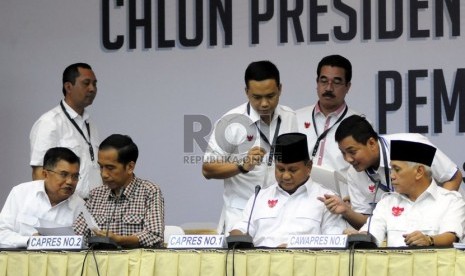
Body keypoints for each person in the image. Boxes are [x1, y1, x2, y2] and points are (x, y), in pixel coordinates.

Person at [202, 60, 298, 234]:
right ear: (246, 92)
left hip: (281, 215)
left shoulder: (291, 118)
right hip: (239, 214)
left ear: (280, 89)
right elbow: (208, 169)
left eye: (270, 96)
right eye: (257, 97)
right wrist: (242, 166)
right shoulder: (229, 122)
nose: (264, 104)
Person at [319, 115, 463, 229]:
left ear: (371, 143)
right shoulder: (353, 173)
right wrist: (346, 211)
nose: (348, 159)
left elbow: (453, 177)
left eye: (352, 152)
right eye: (343, 153)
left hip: (439, 224)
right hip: (398, 234)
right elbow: (368, 222)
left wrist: (435, 215)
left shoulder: (411, 145)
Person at [230, 133, 346, 247]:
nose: (286, 176)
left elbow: (332, 241)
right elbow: (242, 227)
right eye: (280, 169)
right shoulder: (260, 196)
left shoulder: (327, 199)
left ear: (309, 167)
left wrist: (293, 247)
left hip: (304, 262)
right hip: (261, 262)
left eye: (293, 170)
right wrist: (236, 235)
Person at [355, 140, 465, 247]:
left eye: (397, 170)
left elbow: (451, 237)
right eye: (391, 169)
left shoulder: (450, 201)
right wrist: (356, 238)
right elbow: (372, 235)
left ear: (419, 172)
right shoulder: (387, 202)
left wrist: (429, 240)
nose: (391, 176)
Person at [74, 134, 164, 248]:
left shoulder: (149, 192)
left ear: (130, 167)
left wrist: (120, 240)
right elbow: (79, 235)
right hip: (100, 263)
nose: (104, 174)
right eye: (101, 167)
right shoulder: (95, 195)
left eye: (110, 168)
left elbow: (154, 236)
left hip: (135, 263)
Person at [30, 63, 102, 199]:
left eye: (94, 84)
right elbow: (39, 173)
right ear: (68, 87)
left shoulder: (90, 123)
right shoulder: (49, 123)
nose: (92, 89)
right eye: (86, 83)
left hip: (93, 207)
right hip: (64, 206)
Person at [296, 55, 360, 195]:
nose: (329, 88)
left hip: (340, 202)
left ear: (348, 86)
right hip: (300, 199)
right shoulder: (295, 118)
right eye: (323, 81)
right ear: (317, 83)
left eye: (336, 82)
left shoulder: (359, 123)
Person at [0, 147, 85, 248]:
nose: (70, 181)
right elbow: (2, 233)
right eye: (63, 174)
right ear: (45, 174)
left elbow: (85, 246)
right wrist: (30, 241)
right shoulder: (20, 193)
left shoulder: (81, 207)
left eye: (75, 176)